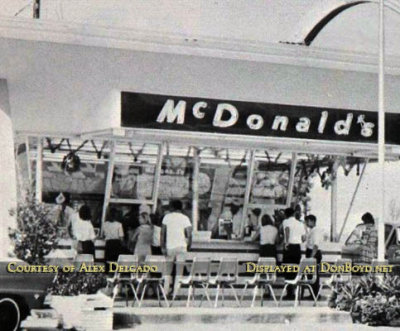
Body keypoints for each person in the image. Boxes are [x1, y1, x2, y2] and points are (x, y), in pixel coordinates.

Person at [282, 207, 305, 298]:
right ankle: (294, 292)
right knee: (295, 269)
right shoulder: (300, 224)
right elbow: (303, 238)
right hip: (297, 248)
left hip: (289, 247)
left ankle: (289, 293)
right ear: (294, 214)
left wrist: (287, 242)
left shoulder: (286, 222)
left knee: (288, 269)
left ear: (286, 214)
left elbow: (287, 231)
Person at [304, 214, 323, 298]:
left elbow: (316, 245)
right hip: (311, 252)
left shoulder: (316, 231)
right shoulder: (311, 231)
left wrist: (311, 257)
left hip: (314, 253)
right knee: (310, 274)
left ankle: (315, 294)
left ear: (312, 221)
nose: (306, 223)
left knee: (313, 274)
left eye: (307, 221)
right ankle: (312, 293)